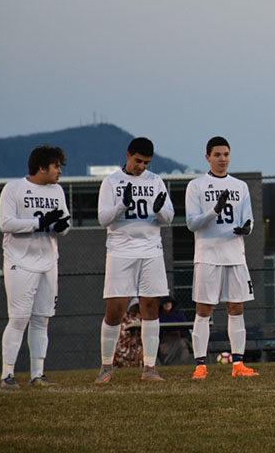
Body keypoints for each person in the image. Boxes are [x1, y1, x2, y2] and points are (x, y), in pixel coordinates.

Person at [96, 137, 175, 383]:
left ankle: (149, 368)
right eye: (138, 161)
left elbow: (168, 217)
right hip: (121, 250)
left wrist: (161, 208)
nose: (141, 166)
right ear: (128, 155)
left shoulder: (156, 181)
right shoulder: (111, 182)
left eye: (146, 162)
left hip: (151, 250)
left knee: (151, 306)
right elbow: (103, 218)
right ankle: (106, 366)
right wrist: (122, 205)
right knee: (115, 309)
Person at [0, 145, 70, 389]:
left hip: (48, 261)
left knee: (42, 320)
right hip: (20, 262)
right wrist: (38, 223)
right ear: (42, 168)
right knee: (18, 319)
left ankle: (37, 374)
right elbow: (6, 223)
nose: (59, 171)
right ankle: (7, 374)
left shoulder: (57, 190)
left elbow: (65, 222)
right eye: (56, 166)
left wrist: (61, 227)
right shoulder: (13, 188)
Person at [185, 136, 258, 380]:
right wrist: (214, 210)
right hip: (208, 255)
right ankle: (200, 365)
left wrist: (246, 228)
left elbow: (249, 219)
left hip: (235, 254)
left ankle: (238, 364)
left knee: (237, 308)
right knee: (204, 310)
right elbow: (192, 223)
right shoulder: (196, 186)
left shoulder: (240, 186)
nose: (222, 159)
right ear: (207, 157)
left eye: (226, 154)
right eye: (217, 155)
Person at [158, 296, 192, 365]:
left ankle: (183, 366)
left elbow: (185, 329)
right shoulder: (159, 315)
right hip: (165, 340)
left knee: (183, 345)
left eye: (169, 303)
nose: (167, 305)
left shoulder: (178, 314)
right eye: (165, 303)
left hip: (178, 338)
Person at [114, 300, 143, 368]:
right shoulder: (124, 323)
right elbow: (124, 341)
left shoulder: (141, 322)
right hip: (124, 353)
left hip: (135, 351)